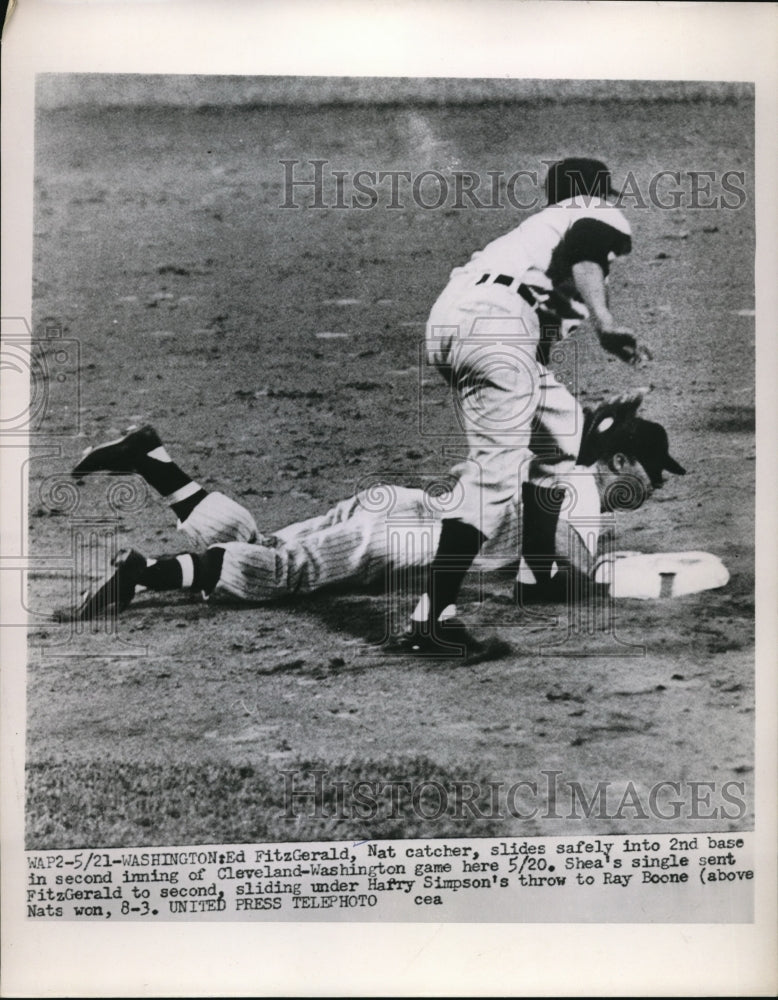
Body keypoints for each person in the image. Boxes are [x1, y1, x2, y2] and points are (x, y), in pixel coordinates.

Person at [65, 394, 684, 659]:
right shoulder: (579, 493)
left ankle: (152, 458)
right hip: (405, 539)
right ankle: (142, 573)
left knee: (270, 548)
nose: (654, 488)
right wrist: (600, 585)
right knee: (279, 572)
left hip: (395, 507)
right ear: (621, 463)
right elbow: (541, 577)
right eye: (652, 474)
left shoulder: (561, 463)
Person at [402, 156, 652, 652]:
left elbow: (535, 358)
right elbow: (587, 245)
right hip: (495, 329)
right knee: (493, 479)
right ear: (602, 194)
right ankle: (430, 619)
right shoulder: (593, 213)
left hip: (460, 323)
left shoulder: (532, 234)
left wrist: (589, 429)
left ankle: (539, 575)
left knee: (561, 443)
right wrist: (604, 323)